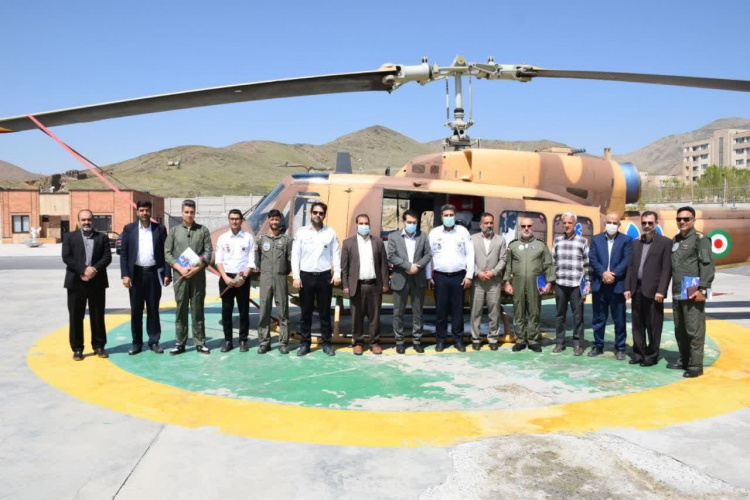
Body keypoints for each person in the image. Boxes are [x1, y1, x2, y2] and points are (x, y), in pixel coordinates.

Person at [120, 200, 172, 355]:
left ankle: (154, 341)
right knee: (136, 310)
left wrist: (167, 274)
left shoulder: (159, 229)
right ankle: (137, 343)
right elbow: (124, 254)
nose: (144, 213)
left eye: (147, 210)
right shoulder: (129, 229)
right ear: (137, 212)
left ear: (151, 212)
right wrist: (125, 274)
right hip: (135, 275)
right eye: (142, 210)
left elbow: (166, 253)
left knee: (153, 309)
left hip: (153, 274)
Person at [669, 206, 714, 378]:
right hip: (677, 290)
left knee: (694, 329)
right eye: (679, 219)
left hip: (693, 288)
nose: (682, 222)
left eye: (686, 219)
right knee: (680, 328)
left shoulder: (700, 239)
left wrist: (703, 288)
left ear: (693, 220)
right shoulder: (676, 239)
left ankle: (695, 366)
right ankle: (685, 359)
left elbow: (707, 265)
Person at [291, 201, 341, 356]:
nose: (318, 215)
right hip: (305, 277)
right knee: (305, 313)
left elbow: (336, 255)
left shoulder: (330, 233)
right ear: (310, 214)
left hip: (324, 277)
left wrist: (337, 274)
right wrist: (296, 276)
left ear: (324, 215)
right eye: (315, 212)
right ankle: (305, 344)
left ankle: (326, 343)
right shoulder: (302, 232)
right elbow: (295, 255)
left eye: (321, 213)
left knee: (324, 313)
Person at [62, 209, 112, 361]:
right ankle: (77, 349)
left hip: (97, 282)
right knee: (76, 316)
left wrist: (94, 269)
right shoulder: (69, 237)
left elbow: (107, 257)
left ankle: (99, 346)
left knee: (97, 315)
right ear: (79, 221)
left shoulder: (102, 237)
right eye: (83, 220)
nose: (86, 222)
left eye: (89, 219)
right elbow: (67, 257)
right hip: (76, 282)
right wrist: (83, 270)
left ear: (93, 221)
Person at [624, 211, 672, 367]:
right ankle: (639, 353)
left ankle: (651, 356)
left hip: (654, 292)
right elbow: (631, 267)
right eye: (644, 223)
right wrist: (628, 287)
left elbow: (666, 269)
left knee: (653, 325)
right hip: (637, 289)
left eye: (650, 223)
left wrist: (662, 290)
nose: (647, 226)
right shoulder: (636, 243)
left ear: (656, 223)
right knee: (637, 324)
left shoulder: (665, 243)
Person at [165, 199, 213, 355]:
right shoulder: (174, 231)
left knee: (198, 308)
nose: (189, 215)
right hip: (180, 276)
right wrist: (179, 268)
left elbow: (208, 252)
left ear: (195, 213)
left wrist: (196, 268)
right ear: (182, 213)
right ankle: (180, 342)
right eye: (186, 212)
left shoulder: (203, 230)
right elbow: (167, 253)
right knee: (181, 309)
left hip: (197, 276)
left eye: (192, 212)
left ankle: (200, 342)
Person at [503, 216, 555, 353]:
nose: (526, 229)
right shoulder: (513, 245)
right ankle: (520, 340)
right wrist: (507, 282)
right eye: (524, 226)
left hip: (535, 284)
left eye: (529, 226)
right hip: (518, 283)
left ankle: (532, 340)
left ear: (533, 227)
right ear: (520, 228)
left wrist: (549, 282)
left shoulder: (541, 245)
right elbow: (508, 265)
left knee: (534, 311)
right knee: (518, 311)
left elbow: (548, 264)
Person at [428, 204, 474, 352]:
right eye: (446, 215)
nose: (448, 218)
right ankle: (441, 340)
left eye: (451, 215)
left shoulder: (462, 232)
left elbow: (470, 254)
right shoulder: (434, 233)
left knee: (457, 310)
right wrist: (429, 276)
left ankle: (458, 340)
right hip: (440, 277)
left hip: (458, 276)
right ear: (441, 217)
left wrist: (469, 275)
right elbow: (429, 256)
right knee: (441, 311)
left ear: (455, 216)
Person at [341, 214, 389, 355]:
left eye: (366, 223)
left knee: (375, 316)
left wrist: (385, 282)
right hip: (357, 285)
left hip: (374, 285)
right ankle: (358, 342)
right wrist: (345, 285)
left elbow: (383, 264)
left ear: (369, 225)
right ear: (356, 225)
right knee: (357, 316)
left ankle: (374, 342)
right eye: (361, 223)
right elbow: (344, 267)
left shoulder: (378, 242)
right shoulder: (348, 243)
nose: (364, 226)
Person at [386, 209, 432, 354]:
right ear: (403, 222)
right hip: (400, 278)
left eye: (414, 222)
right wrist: (408, 266)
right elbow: (391, 255)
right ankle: (399, 341)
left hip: (418, 278)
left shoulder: (423, 236)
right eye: (409, 222)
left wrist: (417, 267)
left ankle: (417, 341)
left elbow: (428, 254)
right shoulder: (393, 236)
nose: (412, 225)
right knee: (398, 312)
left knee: (417, 312)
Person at [589, 212, 632, 360]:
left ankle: (620, 347)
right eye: (609, 222)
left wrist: (613, 275)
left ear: (619, 224)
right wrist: (603, 273)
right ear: (604, 223)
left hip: (617, 285)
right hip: (600, 285)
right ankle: (598, 345)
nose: (611, 225)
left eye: (614, 223)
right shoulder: (596, 239)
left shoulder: (626, 240)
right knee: (598, 318)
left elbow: (627, 260)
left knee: (619, 319)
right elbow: (593, 258)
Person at [215, 209, 255, 353]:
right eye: (232, 219)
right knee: (226, 311)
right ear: (229, 220)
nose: (234, 221)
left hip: (242, 278)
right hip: (226, 278)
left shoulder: (248, 238)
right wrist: (225, 277)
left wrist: (244, 277)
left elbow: (251, 260)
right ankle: (228, 341)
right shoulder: (222, 238)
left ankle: (243, 340)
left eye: (237, 219)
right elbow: (218, 261)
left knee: (244, 311)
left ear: (241, 220)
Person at [552, 212, 591, 356]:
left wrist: (588, 283)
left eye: (570, 222)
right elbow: (553, 262)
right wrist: (552, 282)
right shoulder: (557, 241)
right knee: (560, 315)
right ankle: (560, 342)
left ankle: (578, 344)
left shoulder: (582, 241)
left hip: (576, 285)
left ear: (575, 224)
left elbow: (587, 264)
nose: (567, 225)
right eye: (565, 223)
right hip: (560, 284)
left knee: (578, 316)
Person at [255, 209, 293, 354]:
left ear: (280, 221)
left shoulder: (287, 240)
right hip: (265, 277)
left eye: (277, 219)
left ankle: (283, 343)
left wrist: (281, 272)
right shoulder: (261, 239)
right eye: (272, 219)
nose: (274, 222)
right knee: (264, 310)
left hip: (280, 277)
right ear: (268, 220)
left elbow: (289, 261)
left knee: (283, 311)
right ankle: (264, 342)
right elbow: (257, 259)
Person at [469, 212, 507, 351]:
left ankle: (493, 338)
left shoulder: (500, 240)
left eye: (491, 222)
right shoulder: (472, 239)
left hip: (494, 281)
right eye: (486, 223)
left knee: (494, 311)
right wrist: (477, 272)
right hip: (477, 281)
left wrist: (493, 272)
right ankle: (476, 338)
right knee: (476, 311)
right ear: (480, 225)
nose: (489, 225)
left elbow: (503, 259)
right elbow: (469, 259)